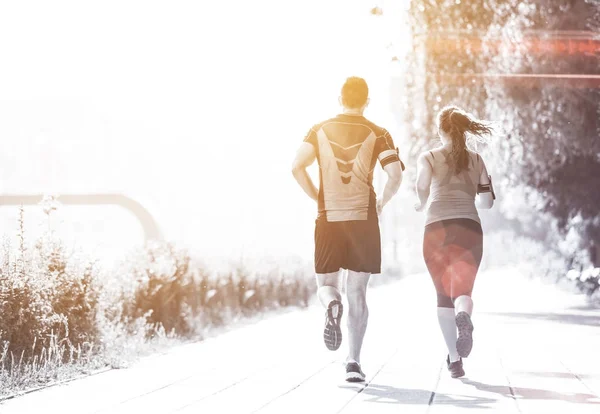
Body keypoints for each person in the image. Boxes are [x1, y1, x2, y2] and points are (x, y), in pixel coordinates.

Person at [292, 77, 404, 382]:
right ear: (367, 102)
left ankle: (331, 305)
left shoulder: (318, 129)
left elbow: (296, 166)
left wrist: (317, 196)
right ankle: (353, 362)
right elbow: (394, 174)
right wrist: (382, 201)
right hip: (363, 220)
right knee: (357, 292)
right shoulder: (378, 132)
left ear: (339, 98)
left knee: (327, 286)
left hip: (328, 219)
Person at [414, 105, 495, 379]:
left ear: (440, 130)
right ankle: (465, 316)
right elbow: (486, 203)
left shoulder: (428, 157)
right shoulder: (477, 160)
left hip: (436, 228)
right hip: (469, 227)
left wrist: (420, 201)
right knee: (463, 291)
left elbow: (422, 187)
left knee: (442, 296)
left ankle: (455, 360)